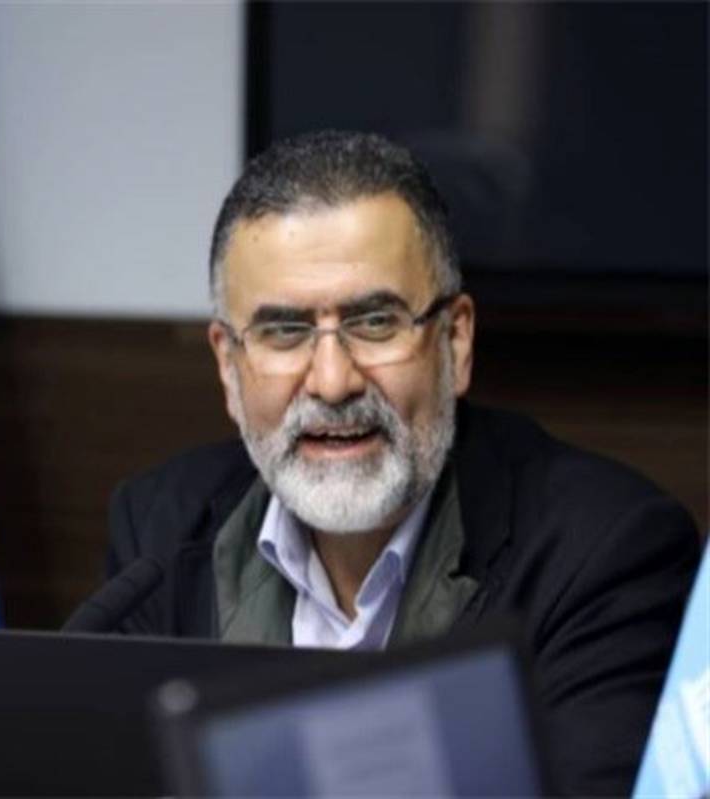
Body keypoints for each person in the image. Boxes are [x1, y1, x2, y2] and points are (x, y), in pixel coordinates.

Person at [106, 131, 703, 795]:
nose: (332, 382)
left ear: (456, 340)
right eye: (284, 331)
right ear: (228, 363)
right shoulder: (158, 532)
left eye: (375, 322)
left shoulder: (607, 554)